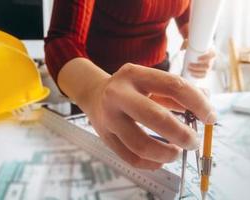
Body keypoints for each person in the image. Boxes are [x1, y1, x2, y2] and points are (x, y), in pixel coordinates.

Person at [44, 0, 217, 169]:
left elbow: (184, 14)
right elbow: (62, 40)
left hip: (158, 81)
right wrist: (96, 90)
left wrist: (201, 45)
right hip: (99, 86)